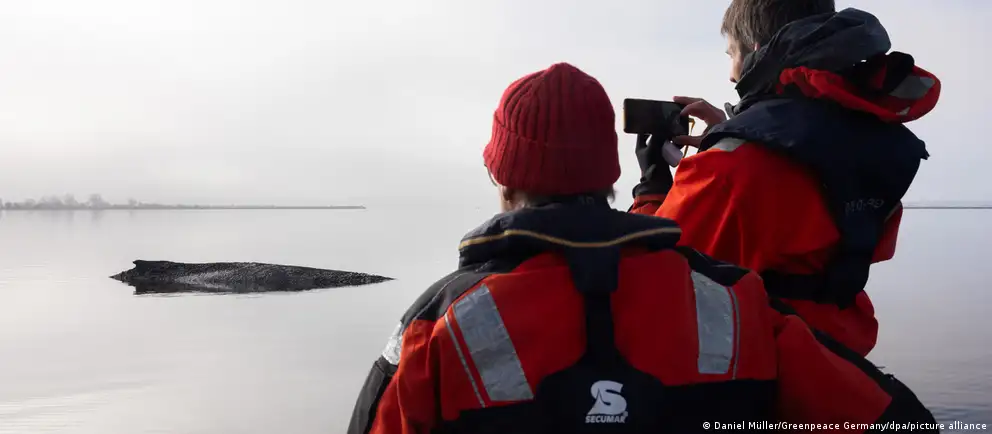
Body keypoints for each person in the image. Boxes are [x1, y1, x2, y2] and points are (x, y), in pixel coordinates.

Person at [348, 62, 937, 434]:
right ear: (606, 177)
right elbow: (896, 421)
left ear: (503, 178)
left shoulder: (436, 327)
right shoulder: (740, 308)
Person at [629, 1, 940, 357]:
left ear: (755, 50)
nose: (731, 75)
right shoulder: (870, 136)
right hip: (841, 359)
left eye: (731, 54)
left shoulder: (731, 166)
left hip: (763, 366)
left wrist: (651, 188)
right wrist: (731, 132)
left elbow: (651, 279)